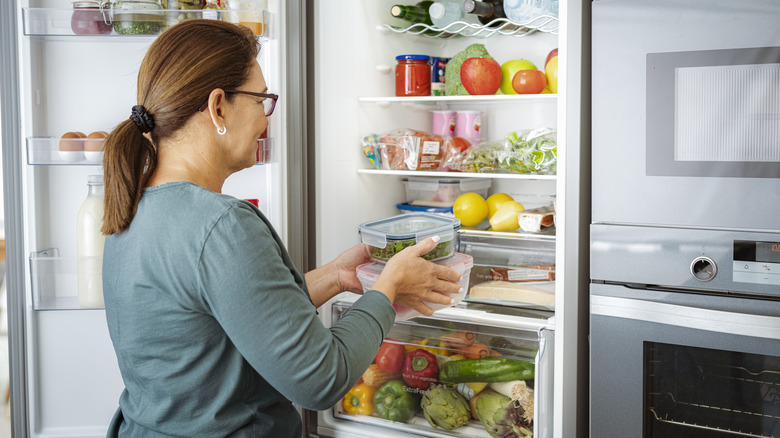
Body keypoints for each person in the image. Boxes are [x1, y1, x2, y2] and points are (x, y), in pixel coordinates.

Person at [100, 19, 462, 438]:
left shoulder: (130, 205)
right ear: (218, 107)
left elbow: (224, 322)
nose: (265, 118)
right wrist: (389, 289)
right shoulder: (221, 225)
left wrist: (334, 277)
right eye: (260, 100)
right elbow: (321, 379)